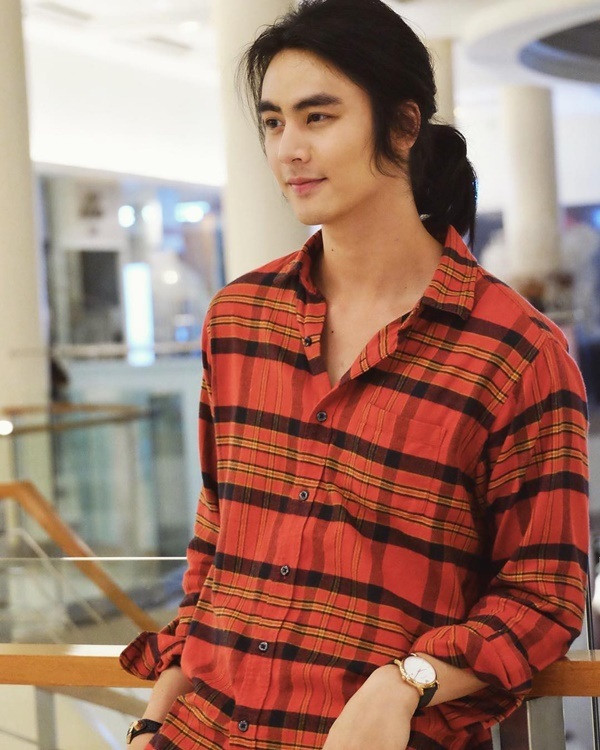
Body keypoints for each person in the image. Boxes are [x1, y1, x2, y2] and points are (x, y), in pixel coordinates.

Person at [120, 1, 590, 747]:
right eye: (273, 122)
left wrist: (410, 680)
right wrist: (152, 723)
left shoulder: (514, 353)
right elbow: (216, 547)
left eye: (318, 116)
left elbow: (542, 597)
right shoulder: (238, 320)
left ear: (402, 126)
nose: (289, 149)